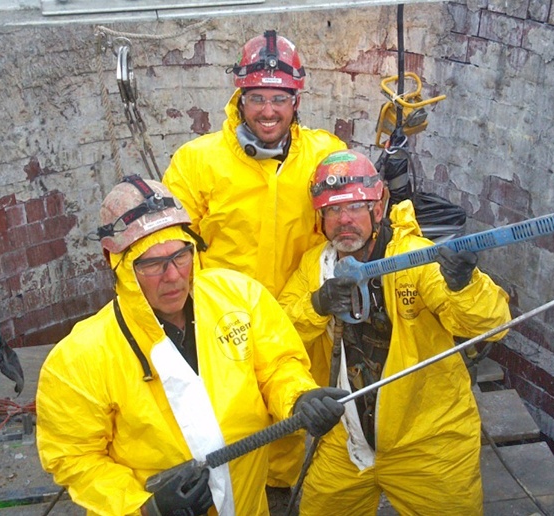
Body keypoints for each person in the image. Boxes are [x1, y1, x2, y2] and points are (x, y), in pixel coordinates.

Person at [35, 176, 348, 516]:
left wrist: (300, 397)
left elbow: (276, 366)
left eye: (180, 256)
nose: (172, 276)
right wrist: (143, 507)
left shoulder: (238, 297)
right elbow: (73, 456)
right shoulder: (79, 358)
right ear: (119, 265)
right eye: (152, 264)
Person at [278, 149, 512, 515]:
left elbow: (491, 325)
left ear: (378, 208)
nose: (344, 221)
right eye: (333, 210)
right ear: (320, 218)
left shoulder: (416, 259)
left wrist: (464, 285)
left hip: (429, 441)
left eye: (355, 207)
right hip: (347, 440)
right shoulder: (316, 265)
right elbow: (279, 331)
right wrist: (318, 303)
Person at [162, 28, 347, 490]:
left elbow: (359, 212)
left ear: (296, 102)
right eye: (258, 98)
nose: (268, 111)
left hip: (302, 319)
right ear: (239, 98)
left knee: (291, 419)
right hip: (223, 326)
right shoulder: (197, 162)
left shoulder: (323, 156)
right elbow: (170, 244)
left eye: (280, 99)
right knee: (231, 423)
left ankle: (279, 494)